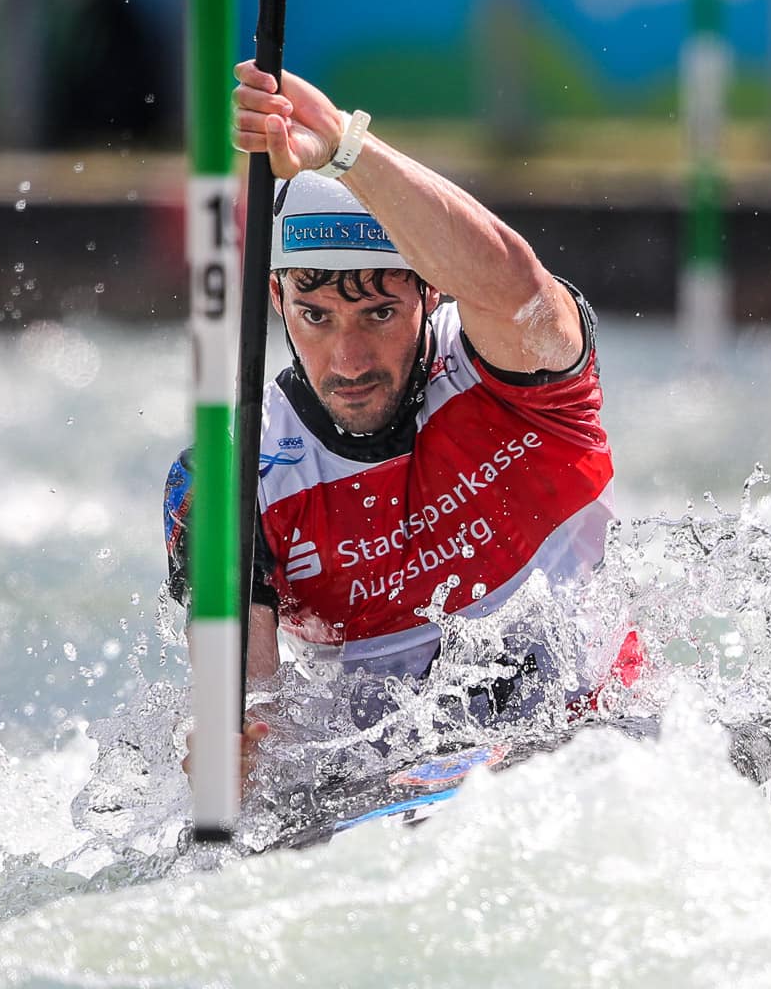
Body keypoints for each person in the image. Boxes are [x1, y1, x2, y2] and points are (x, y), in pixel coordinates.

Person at [165, 61, 640, 779]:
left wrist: (342, 149)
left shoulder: (513, 374)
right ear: (277, 297)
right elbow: (249, 711)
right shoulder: (236, 476)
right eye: (316, 317)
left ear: (431, 290)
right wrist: (233, 752)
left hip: (599, 745)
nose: (348, 359)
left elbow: (514, 284)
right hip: (391, 795)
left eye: (379, 313)